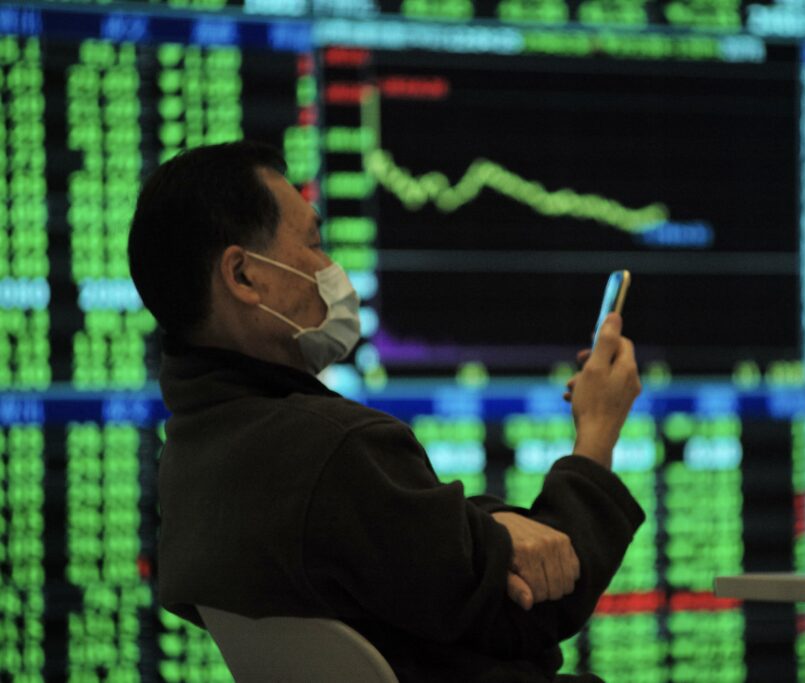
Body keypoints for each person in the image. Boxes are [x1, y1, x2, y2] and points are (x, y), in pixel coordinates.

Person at [128, 141, 644, 683]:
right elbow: (541, 603)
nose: (331, 268)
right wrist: (597, 433)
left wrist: (487, 531)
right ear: (244, 276)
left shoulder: (195, 454)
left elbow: (402, 545)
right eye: (314, 243)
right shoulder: (334, 453)